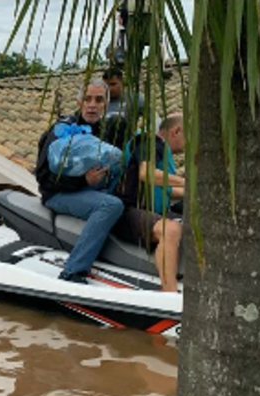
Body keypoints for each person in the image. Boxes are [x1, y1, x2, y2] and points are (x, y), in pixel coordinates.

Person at [35, 78, 125, 285]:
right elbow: (43, 177)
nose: (92, 105)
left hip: (90, 192)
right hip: (57, 194)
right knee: (111, 205)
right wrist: (83, 181)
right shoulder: (61, 131)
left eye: (99, 100)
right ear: (79, 102)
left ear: (105, 104)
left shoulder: (107, 132)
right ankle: (73, 271)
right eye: (87, 99)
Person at [112, 113, 186, 292]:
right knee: (171, 229)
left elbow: (167, 190)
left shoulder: (162, 153)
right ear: (176, 131)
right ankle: (169, 293)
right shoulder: (149, 141)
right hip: (129, 211)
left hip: (153, 212)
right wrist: (187, 182)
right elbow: (146, 173)